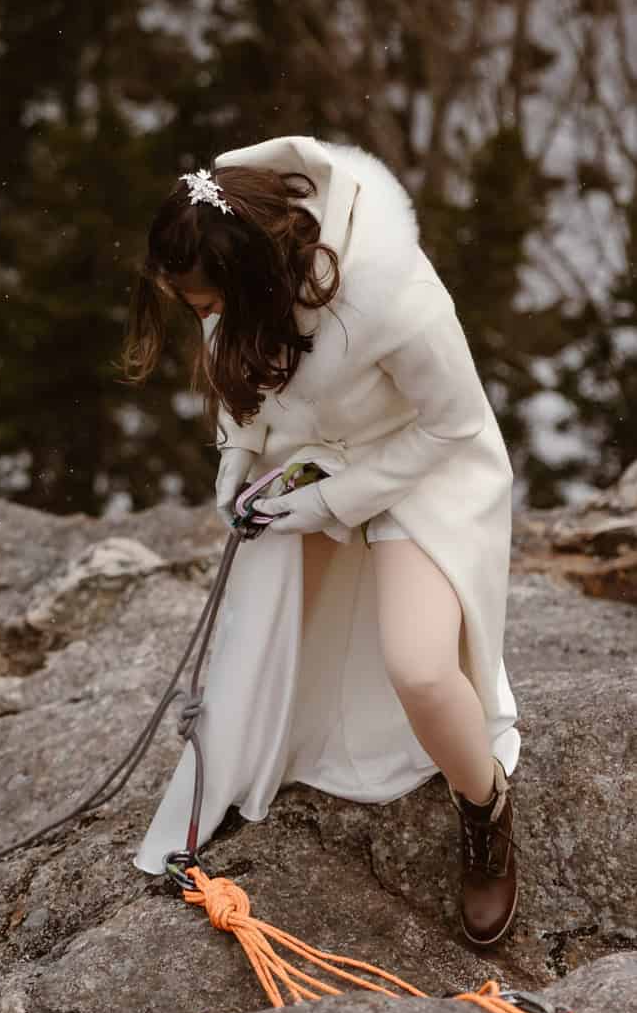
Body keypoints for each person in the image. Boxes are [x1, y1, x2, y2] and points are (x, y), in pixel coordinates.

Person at [123, 137, 520, 946]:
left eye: (205, 305)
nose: (202, 321)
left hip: (426, 469)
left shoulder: (395, 299)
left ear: (257, 279)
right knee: (259, 627)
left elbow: (456, 425)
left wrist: (334, 501)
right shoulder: (237, 271)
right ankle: (242, 760)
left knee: (417, 663)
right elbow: (248, 374)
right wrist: (238, 460)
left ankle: (484, 808)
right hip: (314, 457)